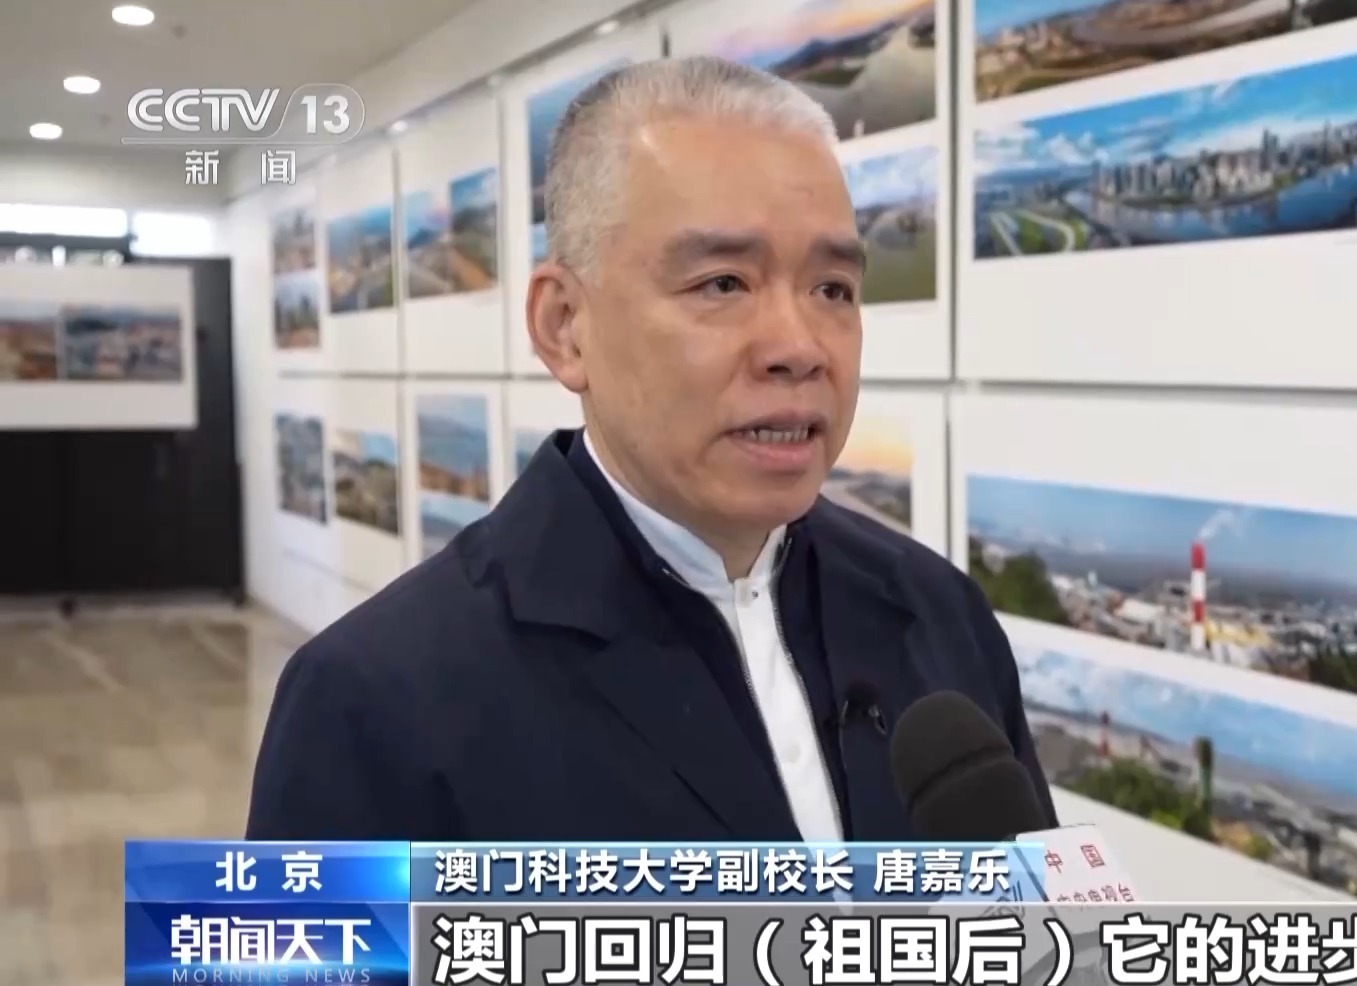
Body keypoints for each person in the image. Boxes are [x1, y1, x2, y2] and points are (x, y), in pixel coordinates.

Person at [245, 57, 1056, 841]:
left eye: (832, 289)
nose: (800, 347)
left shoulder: (941, 616)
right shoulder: (374, 702)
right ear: (565, 326)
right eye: (723, 283)